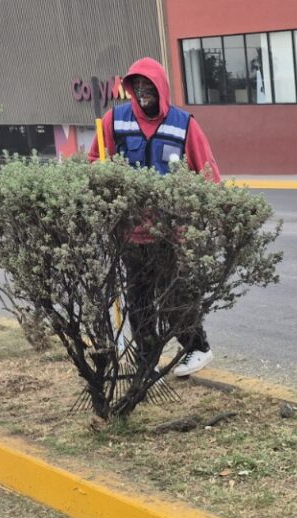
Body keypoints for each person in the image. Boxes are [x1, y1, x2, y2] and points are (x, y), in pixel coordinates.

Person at [88, 57, 221, 378]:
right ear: (131, 89)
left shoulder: (184, 124)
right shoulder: (113, 121)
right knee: (140, 302)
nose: (143, 94)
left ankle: (197, 348)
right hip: (130, 234)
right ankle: (146, 363)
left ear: (160, 89)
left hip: (171, 234)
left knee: (176, 297)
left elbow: (208, 172)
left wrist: (215, 215)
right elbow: (94, 159)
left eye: (149, 88)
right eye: (138, 88)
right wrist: (101, 173)